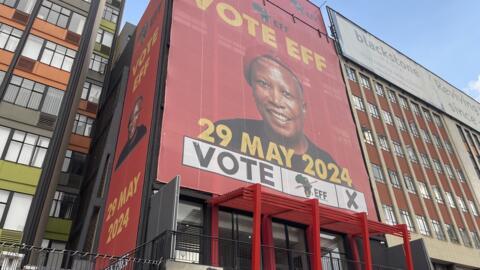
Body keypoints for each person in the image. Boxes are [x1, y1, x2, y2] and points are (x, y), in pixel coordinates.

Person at [215, 49, 335, 173]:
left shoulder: (328, 166)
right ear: (254, 95)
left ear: (303, 108)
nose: (275, 100)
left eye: (286, 93)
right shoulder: (228, 134)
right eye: (264, 84)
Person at [116, 96, 147, 169]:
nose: (131, 123)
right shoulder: (121, 155)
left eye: (136, 114)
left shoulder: (143, 134)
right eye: (131, 118)